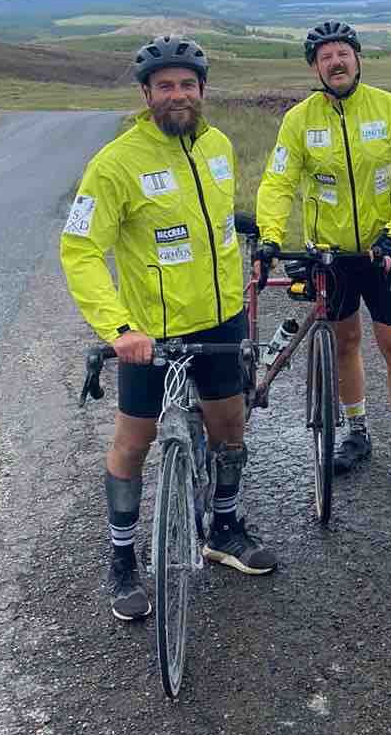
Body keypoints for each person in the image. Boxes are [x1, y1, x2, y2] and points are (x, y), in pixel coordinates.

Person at [61, 33, 276, 621]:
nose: (176, 95)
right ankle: (122, 561)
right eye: (164, 86)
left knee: (230, 428)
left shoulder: (219, 146)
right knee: (133, 443)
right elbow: (80, 251)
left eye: (187, 84)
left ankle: (223, 529)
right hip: (149, 336)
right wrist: (118, 328)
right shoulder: (115, 164)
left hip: (221, 319)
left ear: (202, 90)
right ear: (146, 94)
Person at [254, 21, 391, 490]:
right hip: (331, 257)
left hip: (382, 252)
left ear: (358, 59)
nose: (336, 62)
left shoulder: (389, 109)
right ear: (315, 68)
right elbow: (279, 182)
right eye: (325, 57)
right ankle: (356, 433)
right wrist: (269, 236)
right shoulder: (299, 120)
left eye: (343, 53)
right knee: (345, 344)